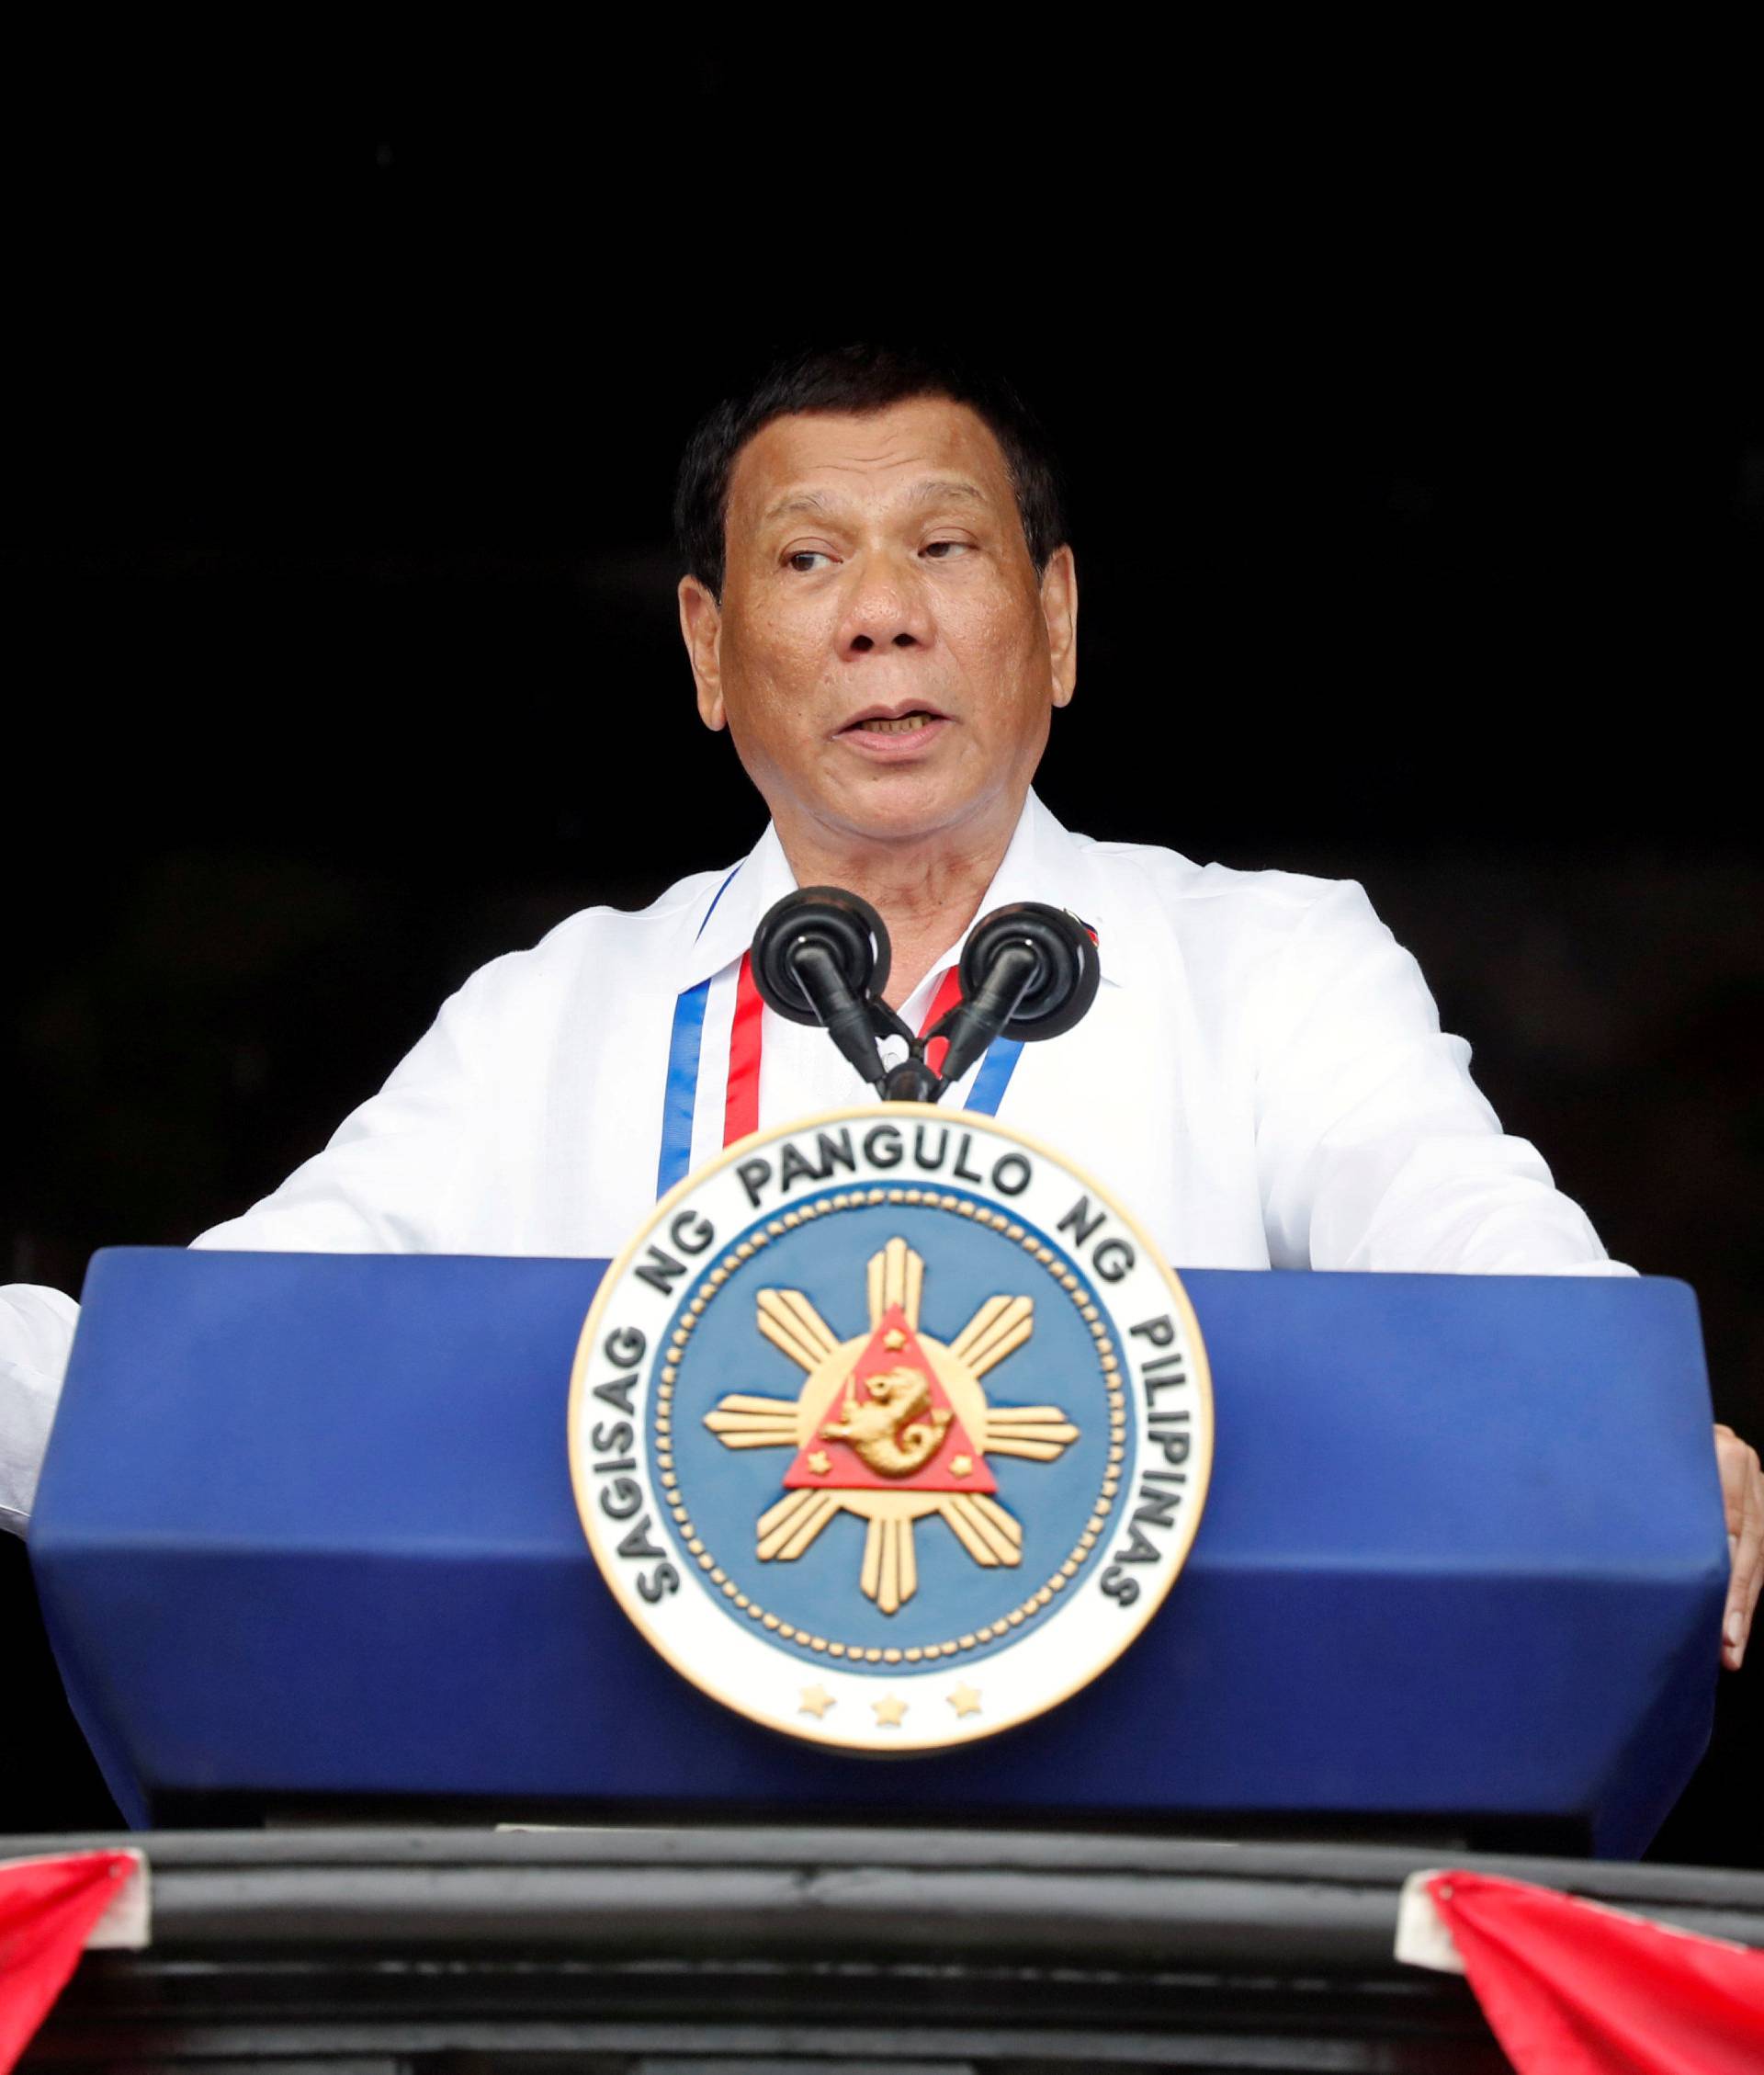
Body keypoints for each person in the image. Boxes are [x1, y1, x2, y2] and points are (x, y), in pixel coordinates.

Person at [3, 344, 1758, 1672]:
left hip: (1154, 1899)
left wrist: (1619, 1421)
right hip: (628, 1900)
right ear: (705, 649)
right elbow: (220, 1362)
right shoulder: (557, 1016)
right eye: (808, 563)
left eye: (945, 546)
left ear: (1056, 620)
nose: (885, 621)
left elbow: (1457, 1228)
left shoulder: (1267, 960)